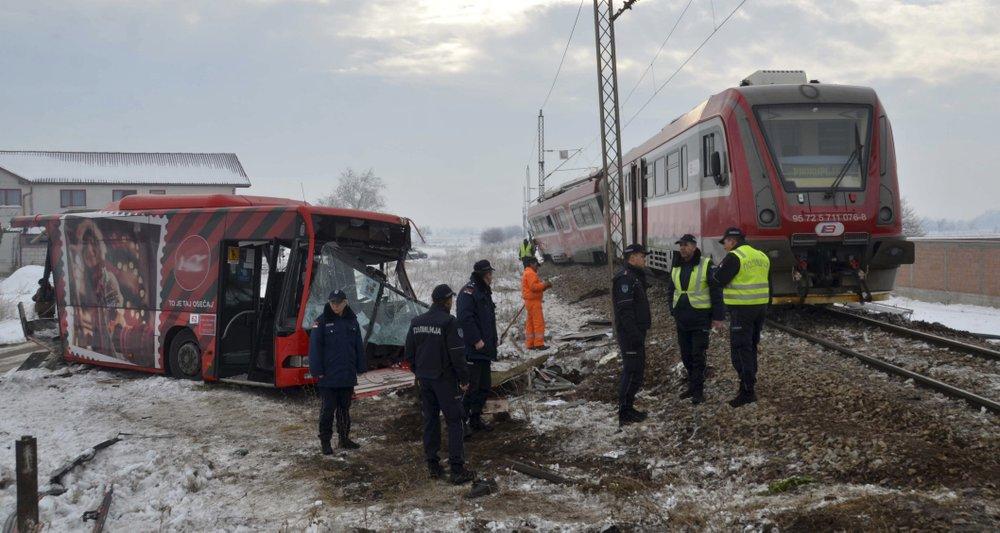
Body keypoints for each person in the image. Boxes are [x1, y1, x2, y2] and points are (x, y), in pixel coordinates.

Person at [405, 284, 476, 484]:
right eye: (451, 299)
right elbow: (457, 355)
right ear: (447, 301)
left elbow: (409, 354)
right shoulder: (449, 322)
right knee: (455, 421)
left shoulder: (417, 322)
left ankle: (433, 466)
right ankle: (457, 469)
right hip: (445, 381)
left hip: (424, 381)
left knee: (430, 420)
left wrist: (420, 372)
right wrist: (464, 379)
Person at [710, 227, 771, 408]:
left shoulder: (735, 257)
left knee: (740, 349)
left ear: (733, 241)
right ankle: (749, 382)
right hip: (760, 308)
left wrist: (715, 272)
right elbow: (769, 282)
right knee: (751, 346)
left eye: (725, 242)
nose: (724, 246)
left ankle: (747, 390)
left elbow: (718, 280)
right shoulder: (761, 255)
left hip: (741, 309)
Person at [666, 234, 725, 404]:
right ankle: (692, 386)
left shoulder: (705, 264)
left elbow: (716, 291)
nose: (682, 248)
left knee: (698, 355)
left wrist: (718, 317)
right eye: (681, 245)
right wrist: (672, 310)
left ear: (694, 246)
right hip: (682, 318)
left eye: (686, 245)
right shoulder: (676, 265)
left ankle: (698, 391)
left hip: (700, 318)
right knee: (686, 355)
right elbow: (671, 290)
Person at [308, 289, 365, 454]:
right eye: (332, 302)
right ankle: (325, 442)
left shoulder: (352, 321)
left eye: (338, 302)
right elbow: (315, 350)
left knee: (344, 408)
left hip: (347, 374)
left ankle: (344, 439)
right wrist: (317, 371)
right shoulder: (321, 322)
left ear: (345, 302)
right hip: (328, 376)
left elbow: (358, 347)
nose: (335, 305)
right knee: (328, 409)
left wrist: (361, 367)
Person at [456, 259, 498, 434]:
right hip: (474, 350)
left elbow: (488, 319)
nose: (492, 276)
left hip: (485, 350)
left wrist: (493, 340)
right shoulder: (469, 291)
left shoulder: (483, 291)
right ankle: (461, 423)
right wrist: (476, 340)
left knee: (484, 387)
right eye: (490, 273)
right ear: (484, 274)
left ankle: (475, 419)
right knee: (471, 389)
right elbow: (465, 318)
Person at [612, 244, 651, 426]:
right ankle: (625, 412)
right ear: (633, 257)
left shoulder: (634, 276)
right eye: (642, 256)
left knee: (636, 371)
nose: (645, 259)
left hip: (635, 333)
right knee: (632, 371)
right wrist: (634, 335)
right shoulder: (625, 279)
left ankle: (628, 408)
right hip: (630, 335)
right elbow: (625, 311)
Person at [521, 257, 553, 350]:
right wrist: (544, 284)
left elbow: (533, 288)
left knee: (530, 323)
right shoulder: (531, 273)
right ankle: (539, 344)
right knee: (539, 323)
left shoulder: (527, 272)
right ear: (531, 264)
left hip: (529, 301)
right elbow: (534, 287)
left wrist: (544, 287)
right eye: (536, 265)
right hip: (534, 302)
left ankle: (530, 344)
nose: (537, 267)